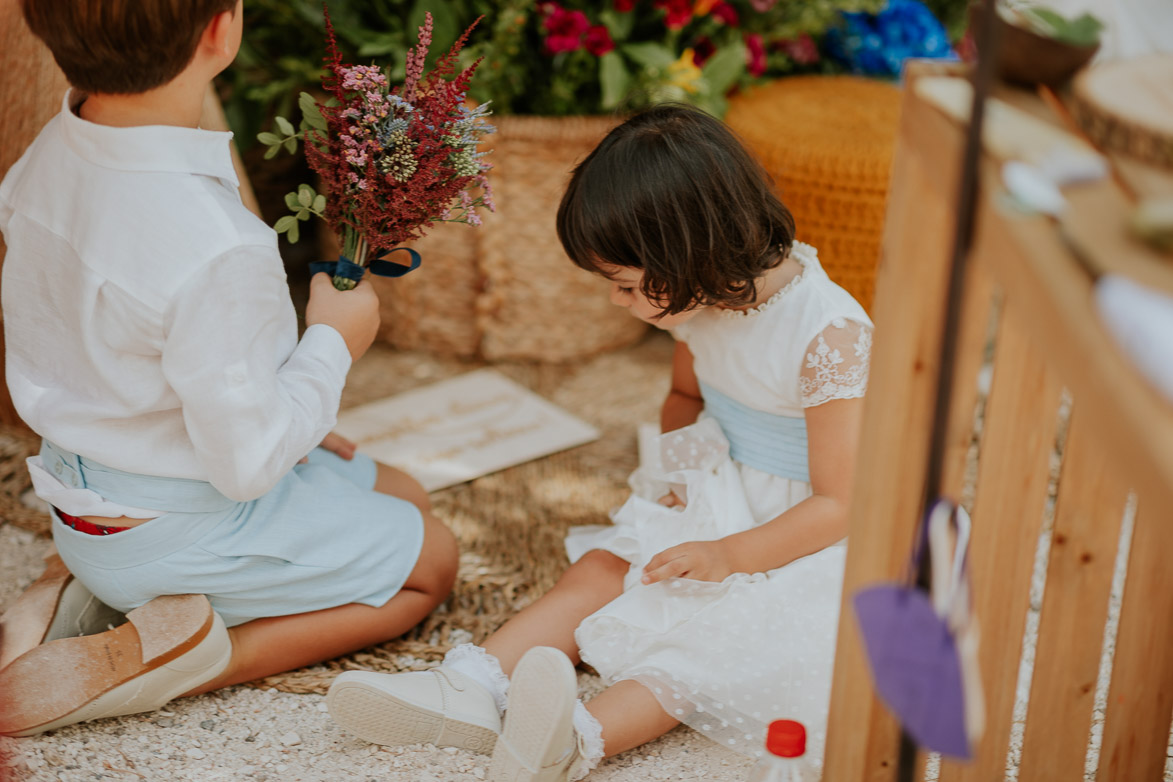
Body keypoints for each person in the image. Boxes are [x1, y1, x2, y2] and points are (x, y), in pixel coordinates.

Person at [324, 103, 873, 781]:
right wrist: (679, 481)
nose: (617, 302)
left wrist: (729, 554)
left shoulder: (829, 337)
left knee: (711, 642)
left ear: (686, 257)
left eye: (625, 285)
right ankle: (469, 688)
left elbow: (841, 504)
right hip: (721, 488)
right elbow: (686, 399)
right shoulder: (704, 299)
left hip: (804, 533)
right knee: (603, 571)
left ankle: (575, 740)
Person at [0, 0, 457, 737]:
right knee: (432, 558)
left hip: (91, 494)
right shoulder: (216, 246)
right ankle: (195, 656)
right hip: (185, 519)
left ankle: (81, 584)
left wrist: (291, 416)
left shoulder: (45, 157)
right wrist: (334, 342)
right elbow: (244, 467)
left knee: (405, 494)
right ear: (223, 29)